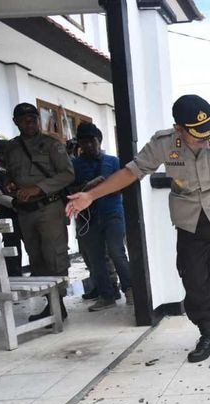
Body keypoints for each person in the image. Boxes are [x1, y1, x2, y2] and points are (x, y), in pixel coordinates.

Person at [66, 94, 210, 362]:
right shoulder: (164, 143)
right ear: (179, 129)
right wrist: (91, 195)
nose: (204, 137)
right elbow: (132, 171)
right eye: (196, 133)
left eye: (207, 130)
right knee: (193, 280)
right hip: (189, 221)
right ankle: (209, 335)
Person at [4, 103, 74, 321]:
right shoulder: (11, 148)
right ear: (16, 122)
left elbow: (67, 174)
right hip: (26, 212)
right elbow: (9, 173)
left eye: (33, 119)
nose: (29, 123)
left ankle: (59, 304)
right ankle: (49, 304)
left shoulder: (51, 145)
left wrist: (38, 188)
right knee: (36, 259)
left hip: (49, 208)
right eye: (24, 120)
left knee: (55, 257)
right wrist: (9, 183)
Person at [71, 122, 133, 312]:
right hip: (87, 217)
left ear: (99, 140)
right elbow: (68, 190)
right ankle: (107, 295)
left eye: (92, 141)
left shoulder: (113, 162)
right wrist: (88, 186)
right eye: (84, 142)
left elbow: (125, 185)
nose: (89, 145)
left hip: (112, 212)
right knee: (95, 258)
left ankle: (130, 290)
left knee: (116, 251)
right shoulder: (74, 165)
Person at [0, 140, 23, 276]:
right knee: (12, 250)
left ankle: (39, 276)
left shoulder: (16, 170)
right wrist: (15, 203)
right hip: (9, 215)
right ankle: (15, 279)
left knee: (34, 247)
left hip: (25, 213)